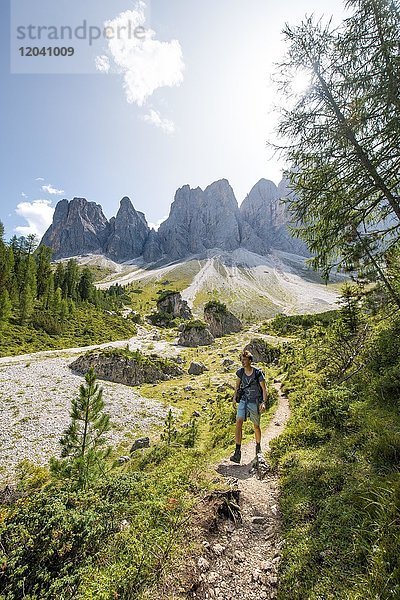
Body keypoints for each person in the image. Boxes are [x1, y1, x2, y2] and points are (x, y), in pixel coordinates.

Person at [230, 350, 268, 464]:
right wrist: (234, 398)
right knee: (238, 422)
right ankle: (237, 452)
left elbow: (264, 389)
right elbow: (237, 386)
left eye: (245, 360)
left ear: (250, 361)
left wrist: (263, 402)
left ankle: (258, 447)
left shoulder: (257, 373)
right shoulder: (240, 373)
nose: (243, 362)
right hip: (243, 401)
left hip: (254, 402)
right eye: (242, 359)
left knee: (256, 426)